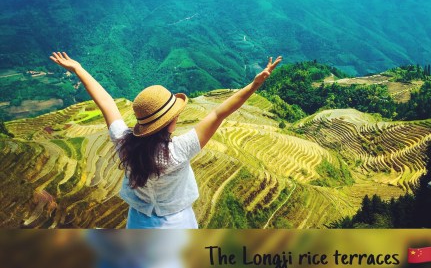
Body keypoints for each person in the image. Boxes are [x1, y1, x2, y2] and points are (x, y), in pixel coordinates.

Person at [49, 51, 282, 229]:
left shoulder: (124, 143)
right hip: (178, 224)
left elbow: (106, 103)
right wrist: (254, 85)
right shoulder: (179, 150)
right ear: (169, 122)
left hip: (139, 222)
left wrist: (79, 69)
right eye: (175, 114)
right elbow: (219, 113)